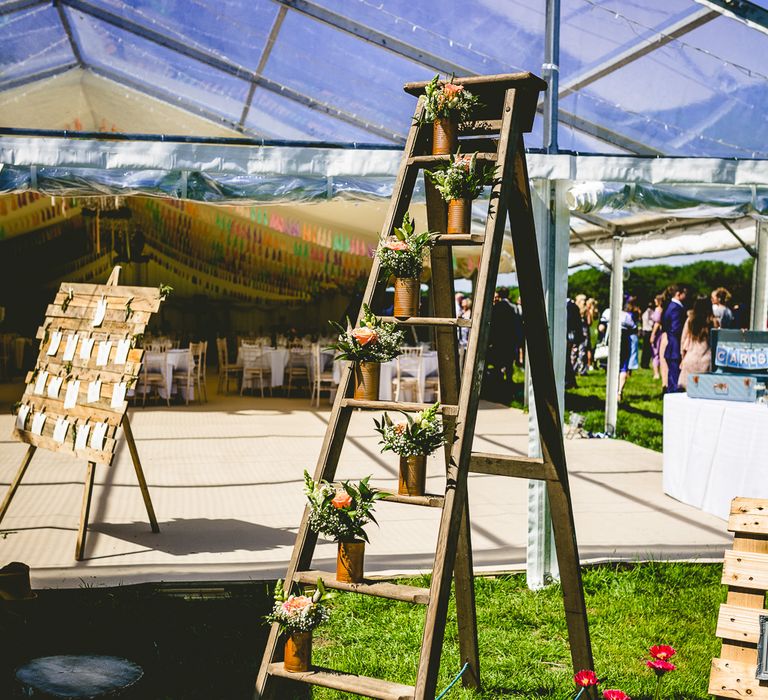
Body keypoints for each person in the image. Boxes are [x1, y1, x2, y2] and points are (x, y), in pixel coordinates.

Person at [680, 296, 715, 388]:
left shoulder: (690, 321)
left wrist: (683, 357)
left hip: (690, 358)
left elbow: (683, 341)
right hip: (706, 360)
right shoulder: (713, 322)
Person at [661, 283, 689, 393]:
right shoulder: (675, 308)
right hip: (675, 347)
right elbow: (675, 329)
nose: (686, 296)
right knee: (674, 377)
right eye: (684, 294)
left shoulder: (671, 306)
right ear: (678, 294)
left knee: (672, 376)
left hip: (672, 346)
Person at [618, 301, 637, 401]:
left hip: (612, 341)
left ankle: (613, 390)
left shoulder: (608, 313)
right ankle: (619, 391)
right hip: (624, 341)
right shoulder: (626, 316)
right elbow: (634, 328)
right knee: (623, 367)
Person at [648, 294, 664, 380]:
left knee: (655, 353)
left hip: (657, 333)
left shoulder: (658, 310)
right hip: (660, 333)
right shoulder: (662, 310)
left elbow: (657, 323)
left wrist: (653, 335)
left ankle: (656, 373)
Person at [640, 300, 654, 369]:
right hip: (648, 331)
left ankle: (643, 363)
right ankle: (645, 364)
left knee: (645, 349)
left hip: (645, 331)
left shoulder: (644, 313)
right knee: (648, 349)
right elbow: (651, 323)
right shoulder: (649, 313)